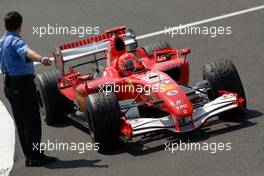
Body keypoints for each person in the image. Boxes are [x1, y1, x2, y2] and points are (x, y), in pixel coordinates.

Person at [0, 11, 56, 167]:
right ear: (20, 26)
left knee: (21, 121)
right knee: (32, 120)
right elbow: (26, 52)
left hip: (10, 85)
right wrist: (41, 59)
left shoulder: (2, 41)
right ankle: (35, 156)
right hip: (23, 85)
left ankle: (29, 156)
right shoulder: (15, 41)